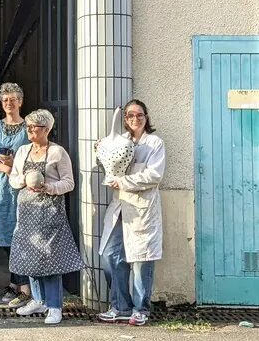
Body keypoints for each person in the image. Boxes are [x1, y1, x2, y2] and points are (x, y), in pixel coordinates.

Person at [10, 109, 83, 325]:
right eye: (28, 127)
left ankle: (54, 306)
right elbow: (13, 179)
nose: (30, 130)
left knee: (50, 260)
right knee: (29, 257)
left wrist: (47, 186)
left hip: (50, 213)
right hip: (26, 213)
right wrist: (23, 179)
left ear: (47, 129)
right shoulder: (23, 151)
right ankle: (38, 299)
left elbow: (69, 182)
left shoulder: (57, 153)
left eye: (35, 127)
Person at [97, 100, 165, 327]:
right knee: (110, 255)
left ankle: (141, 309)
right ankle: (121, 306)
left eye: (139, 114)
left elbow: (154, 175)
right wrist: (101, 152)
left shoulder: (154, 143)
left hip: (141, 208)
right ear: (124, 119)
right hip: (119, 208)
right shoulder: (122, 142)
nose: (135, 119)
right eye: (130, 115)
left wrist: (124, 181)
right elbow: (110, 169)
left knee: (141, 261)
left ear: (146, 116)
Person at [0, 83, 31, 308]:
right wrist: (5, 168)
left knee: (22, 238)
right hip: (0, 187)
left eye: (13, 99)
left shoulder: (30, 126)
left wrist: (17, 168)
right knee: (4, 236)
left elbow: (38, 150)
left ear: (21, 101)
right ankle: (15, 282)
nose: (9, 103)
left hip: (23, 187)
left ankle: (23, 288)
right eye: (5, 100)